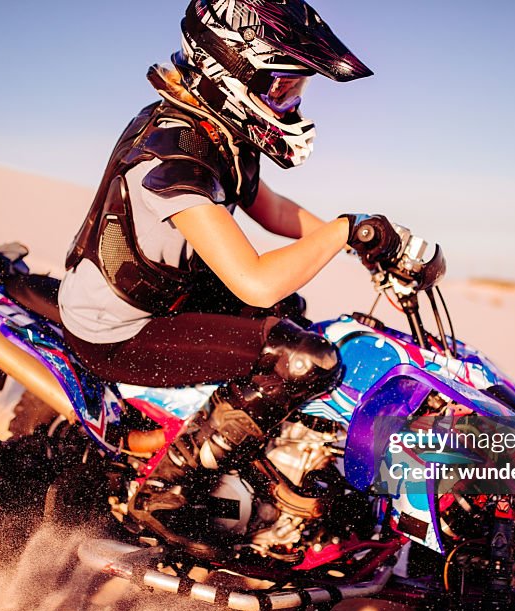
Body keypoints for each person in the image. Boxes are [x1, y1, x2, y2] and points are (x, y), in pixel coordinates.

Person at [59, 0, 402, 559]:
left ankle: (270, 454)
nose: (290, 104)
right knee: (300, 360)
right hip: (120, 328)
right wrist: (344, 230)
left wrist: (365, 247)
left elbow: (272, 209)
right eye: (281, 88)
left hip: (167, 293)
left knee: (291, 314)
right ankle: (171, 487)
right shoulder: (169, 156)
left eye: (296, 90)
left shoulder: (217, 132)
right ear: (231, 69)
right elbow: (254, 282)